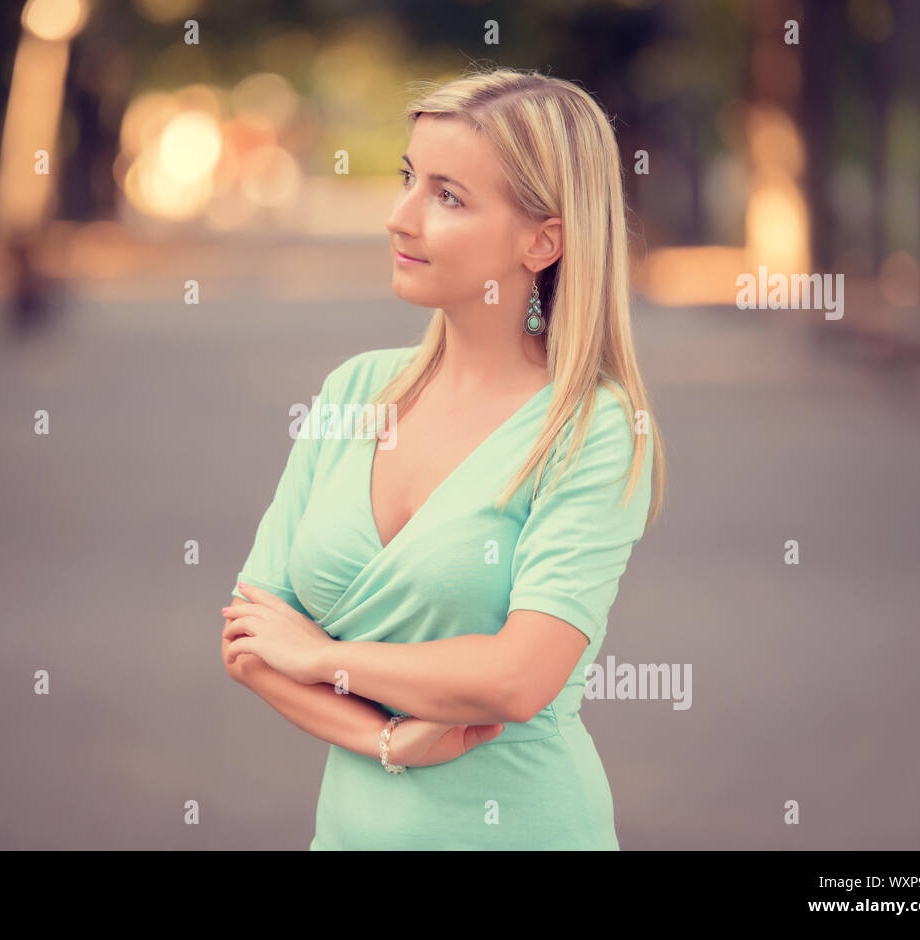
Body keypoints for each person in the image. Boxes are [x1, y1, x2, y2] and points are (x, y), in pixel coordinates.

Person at [221, 65, 666, 850]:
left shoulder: (592, 426)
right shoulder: (354, 388)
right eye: (408, 179)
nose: (401, 218)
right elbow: (253, 644)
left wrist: (324, 657)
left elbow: (517, 679)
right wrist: (384, 742)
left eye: (448, 196)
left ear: (543, 240)